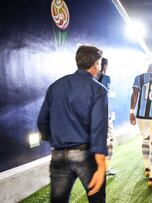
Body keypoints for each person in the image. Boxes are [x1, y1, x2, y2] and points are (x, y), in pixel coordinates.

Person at [37, 45, 108, 203]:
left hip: (58, 154)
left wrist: (56, 139)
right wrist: (101, 165)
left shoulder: (55, 86)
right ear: (96, 63)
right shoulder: (98, 90)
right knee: (97, 199)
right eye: (100, 62)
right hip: (85, 155)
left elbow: (42, 121)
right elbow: (98, 129)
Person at [97, 57, 116, 176]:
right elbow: (104, 95)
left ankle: (99, 167)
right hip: (103, 113)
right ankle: (107, 168)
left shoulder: (90, 77)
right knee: (110, 140)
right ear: (105, 65)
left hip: (92, 115)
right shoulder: (106, 78)